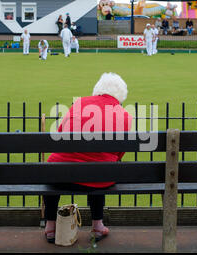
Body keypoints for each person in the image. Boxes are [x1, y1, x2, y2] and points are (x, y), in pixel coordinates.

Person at [43, 72, 132, 243]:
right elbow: (119, 153)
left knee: (56, 168)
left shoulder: (79, 103)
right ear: (121, 95)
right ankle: (97, 225)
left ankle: (50, 226)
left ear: (98, 89)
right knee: (101, 166)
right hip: (99, 178)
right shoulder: (124, 114)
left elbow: (60, 136)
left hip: (61, 174)